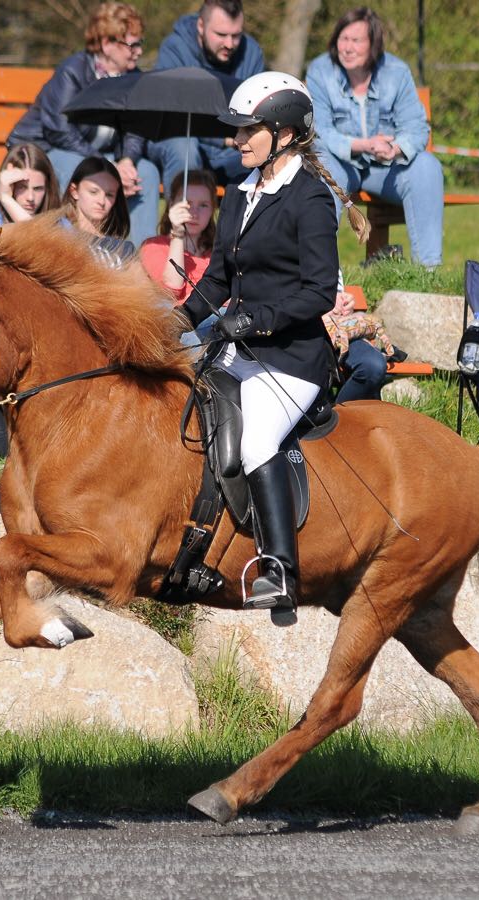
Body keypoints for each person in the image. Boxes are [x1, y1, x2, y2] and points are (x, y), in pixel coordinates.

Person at [179, 72, 370, 619]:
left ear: (284, 135)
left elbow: (315, 293)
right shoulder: (239, 195)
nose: (238, 140)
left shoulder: (309, 199)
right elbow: (217, 279)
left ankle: (279, 569)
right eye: (237, 132)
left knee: (257, 439)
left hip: (293, 361)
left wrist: (254, 321)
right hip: (237, 352)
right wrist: (177, 319)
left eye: (249, 131)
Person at [7, 2, 160, 244]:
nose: (139, 51)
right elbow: (59, 130)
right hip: (47, 151)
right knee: (82, 169)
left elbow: (135, 127)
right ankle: (77, 250)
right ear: (107, 44)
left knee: (147, 173)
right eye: (133, 44)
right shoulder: (73, 71)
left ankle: (144, 261)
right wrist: (108, 165)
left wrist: (127, 160)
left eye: (140, 43)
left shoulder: (133, 78)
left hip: (97, 154)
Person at [306, 7, 445, 267]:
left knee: (427, 166)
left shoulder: (397, 72)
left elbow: (416, 127)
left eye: (356, 41)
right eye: (343, 39)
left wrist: (396, 149)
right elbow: (319, 129)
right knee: (322, 167)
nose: (347, 48)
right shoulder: (320, 71)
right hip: (341, 162)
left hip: (386, 169)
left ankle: (428, 274)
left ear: (373, 44)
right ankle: (320, 274)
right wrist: (363, 145)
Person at [150, 0, 266, 186]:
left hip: (234, 149)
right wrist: (223, 139)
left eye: (236, 35)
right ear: (201, 26)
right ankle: (181, 214)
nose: (229, 44)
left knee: (275, 152)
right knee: (184, 148)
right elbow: (170, 116)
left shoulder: (252, 53)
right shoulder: (174, 50)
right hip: (182, 141)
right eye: (221, 34)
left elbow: (257, 113)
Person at [139, 168, 217, 304]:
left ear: (212, 210)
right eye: (187, 204)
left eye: (203, 205)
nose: (194, 213)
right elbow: (171, 291)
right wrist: (178, 235)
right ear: (172, 206)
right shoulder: (153, 246)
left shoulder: (218, 252)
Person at [61, 156, 135, 265]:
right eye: (93, 192)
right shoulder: (57, 234)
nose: (102, 201)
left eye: (109, 195)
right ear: (74, 191)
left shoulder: (124, 249)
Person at [0, 143, 59, 228]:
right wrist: (6, 198)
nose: (30, 198)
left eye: (38, 189)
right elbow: (34, 234)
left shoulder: (58, 220)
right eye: (22, 187)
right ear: (8, 185)